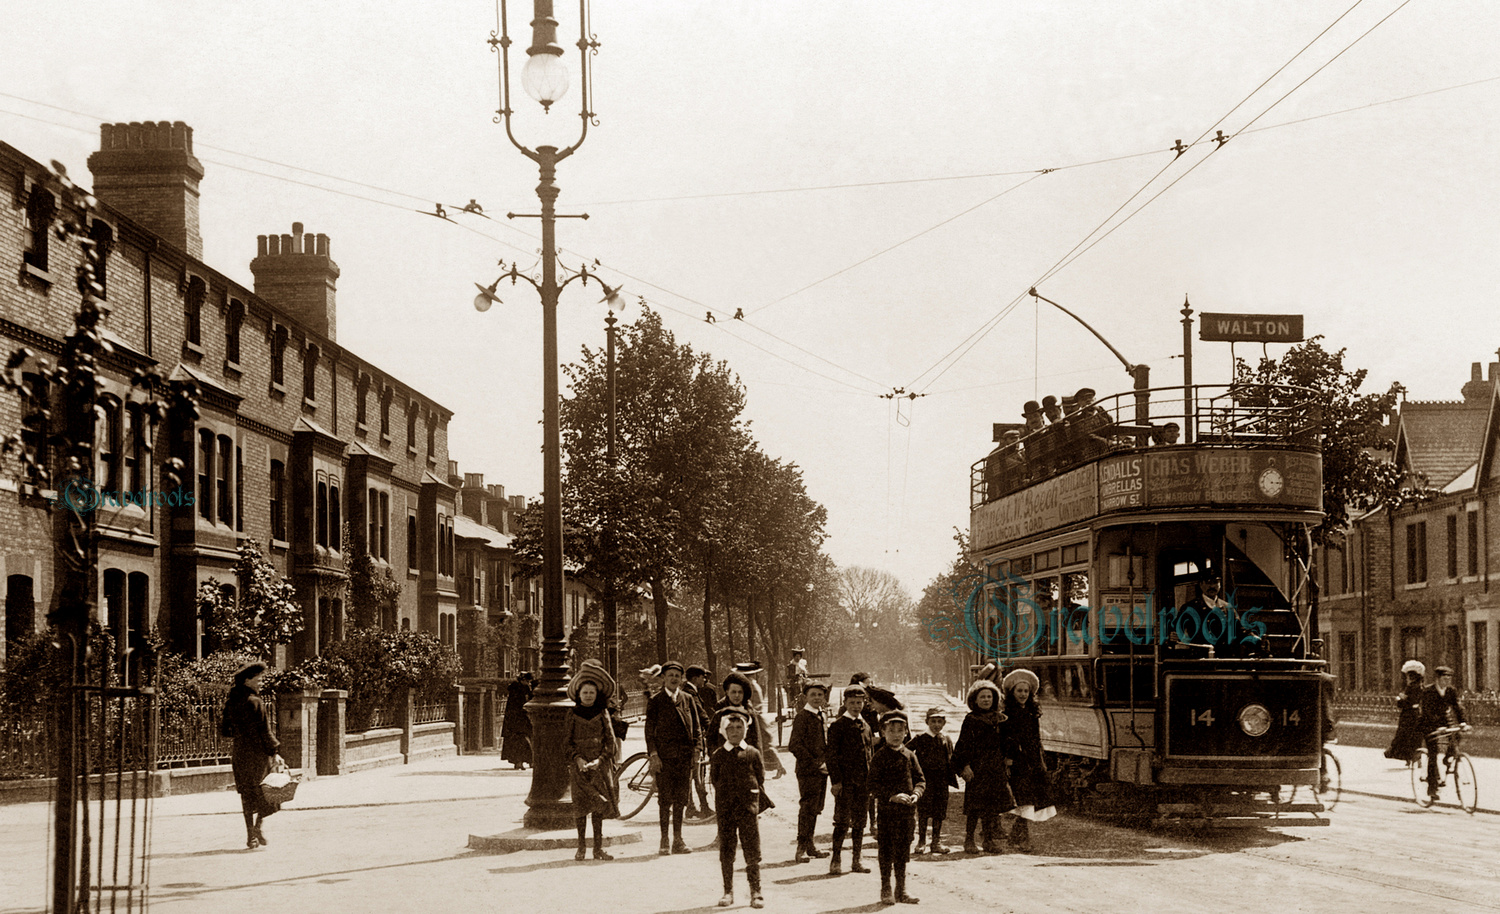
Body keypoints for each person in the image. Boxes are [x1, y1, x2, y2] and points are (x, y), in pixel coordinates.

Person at [221, 661, 281, 849]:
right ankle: (257, 827)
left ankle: (250, 836)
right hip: (258, 755)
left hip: (240, 754)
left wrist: (241, 734)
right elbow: (265, 730)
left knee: (246, 795)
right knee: (267, 792)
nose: (261, 682)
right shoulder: (255, 702)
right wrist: (275, 752)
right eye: (258, 679)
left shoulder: (231, 702)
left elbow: (225, 730)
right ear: (248, 680)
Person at [565, 660, 621, 861]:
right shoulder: (572, 714)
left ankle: (597, 849)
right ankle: (581, 847)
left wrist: (600, 760)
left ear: (597, 695)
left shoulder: (602, 713)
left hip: (599, 765)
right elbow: (567, 742)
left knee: (598, 807)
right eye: (585, 692)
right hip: (579, 767)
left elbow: (610, 741)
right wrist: (577, 759)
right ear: (578, 695)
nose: (588, 695)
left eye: (591, 692)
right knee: (580, 807)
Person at [950, 678, 1013, 855]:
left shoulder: (1000, 719)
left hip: (995, 769)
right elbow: (962, 745)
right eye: (982, 697)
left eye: (989, 697)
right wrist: (964, 766)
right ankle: (969, 839)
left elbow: (1006, 742)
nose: (986, 700)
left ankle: (988, 840)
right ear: (975, 700)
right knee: (974, 807)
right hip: (977, 769)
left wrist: (1008, 758)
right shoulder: (971, 719)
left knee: (991, 807)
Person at [868, 710, 924, 905]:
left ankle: (901, 889)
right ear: (883, 733)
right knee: (886, 849)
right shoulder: (879, 757)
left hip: (907, 813)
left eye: (900, 730)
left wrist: (916, 793)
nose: (896, 734)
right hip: (887, 813)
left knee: (903, 850)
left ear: (906, 733)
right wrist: (892, 796)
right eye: (891, 730)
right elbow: (873, 785)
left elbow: (920, 780)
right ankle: (886, 888)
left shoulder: (910, 755)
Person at [711, 710, 766, 909]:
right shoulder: (718, 755)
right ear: (723, 731)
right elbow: (715, 779)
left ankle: (756, 891)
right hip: (726, 809)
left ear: (745, 729)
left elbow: (760, 777)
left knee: (752, 849)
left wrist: (749, 797)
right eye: (730, 728)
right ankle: (728, 891)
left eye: (739, 727)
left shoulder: (752, 753)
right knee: (727, 848)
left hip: (747, 808)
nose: (735, 732)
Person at [645, 660, 700, 855]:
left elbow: (697, 728)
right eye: (670, 675)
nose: (674, 679)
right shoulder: (656, 701)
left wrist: (697, 751)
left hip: (684, 758)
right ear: (663, 678)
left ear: (681, 678)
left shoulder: (687, 699)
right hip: (664, 758)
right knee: (665, 799)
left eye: (677, 676)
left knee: (681, 799)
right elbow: (649, 731)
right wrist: (653, 755)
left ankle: (678, 839)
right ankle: (664, 840)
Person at [1001, 669, 1055, 852]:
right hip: (1016, 761)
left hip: (1032, 760)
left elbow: (1035, 738)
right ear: (1012, 693)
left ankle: (1016, 836)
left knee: (1032, 798)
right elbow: (1007, 738)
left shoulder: (1032, 712)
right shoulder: (1008, 713)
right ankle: (1021, 838)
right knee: (1024, 799)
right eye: (1019, 691)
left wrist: (1040, 760)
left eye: (1026, 691)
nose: (1023, 695)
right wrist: (1008, 758)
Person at [826, 682, 873, 876]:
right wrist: (836, 782)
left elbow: (870, 755)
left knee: (860, 822)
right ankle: (835, 859)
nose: (856, 706)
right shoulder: (837, 726)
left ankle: (856, 859)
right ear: (845, 703)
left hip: (863, 783)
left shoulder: (866, 726)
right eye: (852, 702)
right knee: (842, 822)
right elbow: (831, 756)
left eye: (859, 702)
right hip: (845, 783)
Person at [787, 679, 831, 862]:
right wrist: (815, 764)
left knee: (816, 808)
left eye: (820, 695)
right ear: (805, 697)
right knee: (807, 807)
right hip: (808, 770)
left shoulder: (822, 715)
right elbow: (794, 746)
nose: (817, 698)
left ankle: (810, 845)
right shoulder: (802, 717)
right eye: (813, 694)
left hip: (822, 770)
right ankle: (801, 848)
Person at [908, 707, 957, 855]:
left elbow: (952, 758)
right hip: (925, 782)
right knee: (924, 811)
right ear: (927, 721)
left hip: (941, 782)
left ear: (944, 723)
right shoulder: (920, 738)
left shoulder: (945, 739)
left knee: (939, 812)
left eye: (939, 721)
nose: (936, 724)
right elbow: (905, 752)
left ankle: (936, 841)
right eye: (933, 721)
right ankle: (921, 841)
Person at [1420, 665, 1471, 799]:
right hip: (1429, 724)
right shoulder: (1428, 691)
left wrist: (1463, 722)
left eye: (1449, 678)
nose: (1447, 680)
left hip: (1444, 722)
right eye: (1444, 678)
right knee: (1433, 754)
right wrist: (1436, 726)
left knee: (1457, 737)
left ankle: (1447, 758)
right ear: (1437, 678)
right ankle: (1432, 788)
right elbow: (1427, 712)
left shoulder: (1450, 691)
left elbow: (1457, 707)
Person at [1385, 660, 1427, 765]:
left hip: (1408, 715)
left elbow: (1406, 703)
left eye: (1408, 676)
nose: (1407, 678)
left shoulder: (1410, 687)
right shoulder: (1422, 687)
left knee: (1404, 736)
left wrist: (1399, 699)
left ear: (1411, 677)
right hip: (1417, 713)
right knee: (1416, 737)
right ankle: (1418, 759)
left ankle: (1408, 757)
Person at [501, 672, 535, 770]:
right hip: (519, 720)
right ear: (522, 680)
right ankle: (522, 761)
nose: (529, 683)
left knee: (521, 741)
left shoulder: (520, 689)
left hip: (517, 720)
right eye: (527, 681)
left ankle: (522, 761)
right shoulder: (519, 689)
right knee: (523, 740)